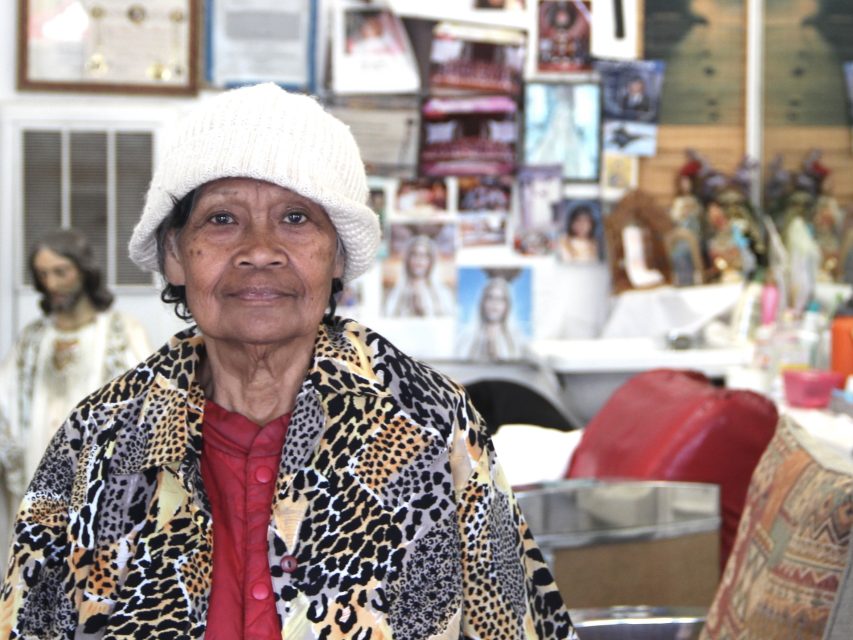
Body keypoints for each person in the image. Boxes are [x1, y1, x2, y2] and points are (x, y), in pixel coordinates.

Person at [0, 83, 577, 639]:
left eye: (296, 218)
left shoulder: (432, 424)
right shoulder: (96, 440)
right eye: (222, 219)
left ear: (337, 255)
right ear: (175, 255)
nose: (259, 251)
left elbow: (514, 625)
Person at [0, 228, 150, 574]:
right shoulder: (33, 339)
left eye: (60, 271)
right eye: (42, 274)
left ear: (82, 270)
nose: (51, 283)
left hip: (100, 489)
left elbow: (146, 407)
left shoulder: (121, 332)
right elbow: (6, 405)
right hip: (37, 487)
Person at [383, 233, 455, 317]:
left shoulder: (443, 294)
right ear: (408, 260)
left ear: (431, 261)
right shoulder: (394, 294)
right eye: (414, 254)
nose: (419, 260)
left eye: (424, 256)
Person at [459, 275, 524, 361]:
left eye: (500, 299)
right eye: (490, 298)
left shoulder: (517, 340)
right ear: (482, 303)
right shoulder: (466, 338)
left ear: (507, 306)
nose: (495, 303)